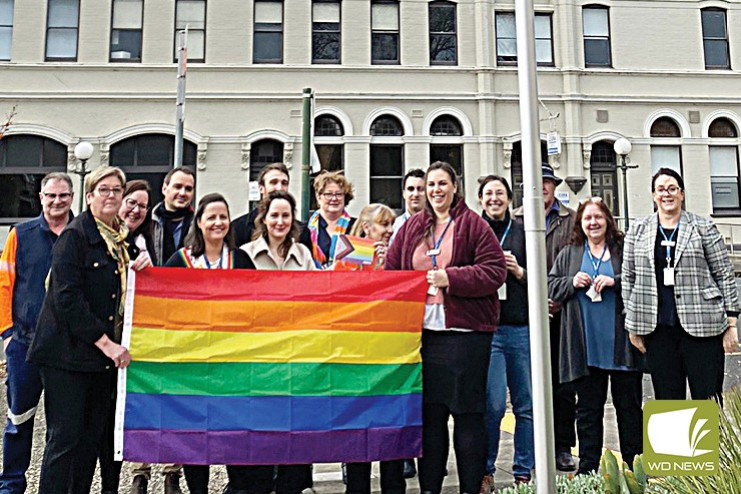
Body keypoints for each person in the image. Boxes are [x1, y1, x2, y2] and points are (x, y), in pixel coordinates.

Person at [386, 161, 507, 494]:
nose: (436, 190)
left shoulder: (474, 225)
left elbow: (494, 271)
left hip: (466, 337)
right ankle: (429, 489)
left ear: (455, 187)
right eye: (431, 185)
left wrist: (450, 278)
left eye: (442, 184)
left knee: (468, 416)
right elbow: (391, 270)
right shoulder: (412, 228)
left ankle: (469, 487)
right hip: (424, 337)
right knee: (430, 419)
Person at [27, 166, 134, 494]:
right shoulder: (75, 236)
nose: (111, 195)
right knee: (65, 441)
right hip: (67, 356)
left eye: (117, 190)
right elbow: (67, 299)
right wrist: (107, 344)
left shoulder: (119, 240)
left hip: (99, 360)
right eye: (104, 190)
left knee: (89, 441)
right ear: (89, 197)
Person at [164, 193, 258, 494]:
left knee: (234, 430)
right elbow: (162, 301)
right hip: (194, 365)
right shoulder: (180, 261)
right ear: (200, 222)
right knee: (197, 435)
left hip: (233, 364)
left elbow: (258, 304)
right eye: (212, 217)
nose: (218, 222)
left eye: (223, 216)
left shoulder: (241, 259)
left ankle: (237, 488)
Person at [623, 168, 739, 402]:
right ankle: (675, 442)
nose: (667, 194)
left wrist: (731, 321)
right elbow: (629, 277)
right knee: (668, 401)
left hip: (703, 328)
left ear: (682, 194)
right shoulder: (638, 230)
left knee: (707, 400)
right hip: (658, 329)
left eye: (672, 188)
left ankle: (706, 441)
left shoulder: (703, 228)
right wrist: (632, 325)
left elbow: (724, 274)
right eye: (661, 189)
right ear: (654, 195)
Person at [548, 197, 644, 475]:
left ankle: (633, 464)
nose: (593, 222)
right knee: (588, 411)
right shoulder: (570, 253)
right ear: (580, 222)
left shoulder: (623, 249)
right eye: (588, 218)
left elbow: (640, 278)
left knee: (629, 408)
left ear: (608, 220)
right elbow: (552, 285)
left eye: (598, 217)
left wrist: (615, 281)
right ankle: (588, 466)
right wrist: (571, 282)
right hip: (585, 345)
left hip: (621, 343)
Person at [0, 172, 74, 494]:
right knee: (18, 419)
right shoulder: (21, 234)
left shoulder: (82, 234)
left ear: (72, 197)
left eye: (63, 195)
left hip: (68, 349)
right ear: (40, 197)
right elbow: (4, 285)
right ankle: (12, 484)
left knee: (62, 429)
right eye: (51, 196)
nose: (57, 201)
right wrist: (6, 334)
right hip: (25, 345)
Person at [239, 190, 315, 494]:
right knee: (260, 434)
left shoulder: (304, 256)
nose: (280, 221)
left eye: (286, 215)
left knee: (294, 435)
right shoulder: (244, 254)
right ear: (264, 218)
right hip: (259, 361)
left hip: (295, 359)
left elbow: (316, 301)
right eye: (275, 215)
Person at [513, 163, 577, 471]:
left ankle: (563, 446)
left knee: (563, 385)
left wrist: (557, 297)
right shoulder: (514, 221)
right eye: (536, 183)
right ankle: (533, 446)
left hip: (562, 312)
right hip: (526, 313)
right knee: (529, 386)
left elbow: (578, 263)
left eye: (547, 182)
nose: (542, 188)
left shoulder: (571, 220)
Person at [342, 202, 405, 494]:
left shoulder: (396, 255)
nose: (390, 230)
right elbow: (344, 298)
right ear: (367, 228)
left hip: (389, 356)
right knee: (357, 434)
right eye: (384, 225)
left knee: (389, 431)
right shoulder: (347, 256)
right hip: (355, 357)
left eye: (391, 225)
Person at [477, 176, 533, 490]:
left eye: (500, 193)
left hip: (521, 329)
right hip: (490, 331)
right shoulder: (474, 231)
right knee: (494, 404)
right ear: (481, 199)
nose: (494, 198)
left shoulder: (525, 232)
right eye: (488, 193)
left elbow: (541, 279)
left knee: (525, 404)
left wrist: (519, 271)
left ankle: (523, 471)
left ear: (509, 198)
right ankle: (486, 470)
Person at [299, 171, 356, 269]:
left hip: (348, 282)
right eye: (328, 194)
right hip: (313, 281)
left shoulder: (356, 227)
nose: (334, 199)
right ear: (319, 197)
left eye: (339, 194)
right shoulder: (303, 230)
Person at [232, 162, 291, 247]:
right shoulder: (238, 228)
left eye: (284, 183)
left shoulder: (301, 231)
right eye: (273, 182)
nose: (280, 188)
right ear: (261, 188)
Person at [151, 167, 196, 266]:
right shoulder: (148, 222)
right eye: (178, 187)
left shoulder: (199, 226)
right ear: (164, 188)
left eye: (188, 189)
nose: (182, 193)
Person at [391, 168, 425, 244]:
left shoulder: (438, 225)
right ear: (404, 193)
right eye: (411, 189)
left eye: (420, 189)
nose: (416, 194)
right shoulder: (393, 227)